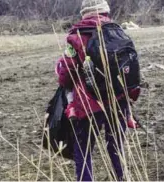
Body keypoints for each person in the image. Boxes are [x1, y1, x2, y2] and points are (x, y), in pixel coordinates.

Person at [54, 0, 140, 180]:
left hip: (88, 104)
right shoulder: (118, 31)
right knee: (116, 144)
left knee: (83, 150)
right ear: (106, 11)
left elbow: (66, 73)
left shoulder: (76, 36)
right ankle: (121, 177)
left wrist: (60, 72)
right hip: (119, 99)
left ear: (84, 13)